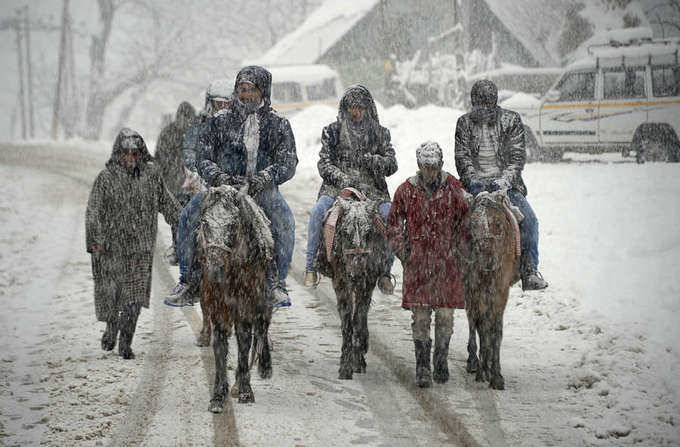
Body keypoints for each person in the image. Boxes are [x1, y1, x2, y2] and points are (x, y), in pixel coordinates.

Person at [168, 66, 297, 309]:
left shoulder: (279, 125)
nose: (246, 95)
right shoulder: (219, 122)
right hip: (221, 189)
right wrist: (218, 176)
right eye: (242, 89)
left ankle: (276, 282)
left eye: (252, 90)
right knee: (187, 217)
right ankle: (188, 281)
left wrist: (265, 177)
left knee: (285, 222)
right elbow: (202, 156)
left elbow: (288, 162)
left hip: (262, 190)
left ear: (263, 92)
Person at [86, 128, 181, 359]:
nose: (130, 158)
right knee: (111, 295)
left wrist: (184, 222)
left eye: (135, 154)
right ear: (118, 153)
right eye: (125, 153)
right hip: (110, 249)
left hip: (141, 249)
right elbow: (93, 211)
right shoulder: (106, 178)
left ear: (141, 154)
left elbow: (168, 205)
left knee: (134, 299)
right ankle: (111, 326)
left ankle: (126, 342)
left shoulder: (152, 176)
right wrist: (96, 240)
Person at [387, 141, 469, 387]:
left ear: (441, 165)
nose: (430, 171)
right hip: (418, 266)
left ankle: (441, 359)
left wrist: (458, 250)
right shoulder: (405, 191)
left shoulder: (454, 189)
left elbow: (465, 222)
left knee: (445, 316)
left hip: (447, 266)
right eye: (426, 167)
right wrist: (404, 252)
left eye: (434, 167)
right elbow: (393, 224)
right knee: (420, 318)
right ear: (419, 166)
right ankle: (422, 365)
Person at [454, 79, 548, 291]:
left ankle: (529, 270)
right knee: (451, 221)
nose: (483, 110)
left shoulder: (512, 120)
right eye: (479, 105)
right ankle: (451, 271)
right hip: (473, 187)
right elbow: (462, 158)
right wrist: (473, 182)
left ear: (494, 103)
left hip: (506, 187)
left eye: (488, 105)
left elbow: (517, 158)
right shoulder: (464, 123)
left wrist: (503, 181)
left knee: (530, 222)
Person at [303, 84, 397, 294]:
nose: (356, 112)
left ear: (368, 109)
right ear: (345, 109)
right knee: (319, 211)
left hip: (373, 191)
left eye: (361, 108)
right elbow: (324, 164)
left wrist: (373, 161)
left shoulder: (381, 134)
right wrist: (343, 179)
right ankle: (311, 265)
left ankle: (385, 272)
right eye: (352, 108)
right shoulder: (332, 131)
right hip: (337, 189)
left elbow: (392, 164)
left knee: (391, 216)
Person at [166, 80, 233, 306]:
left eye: (227, 103)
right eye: (218, 103)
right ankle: (187, 280)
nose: (222, 107)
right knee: (186, 219)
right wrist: (199, 173)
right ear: (209, 102)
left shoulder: (240, 122)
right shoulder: (200, 124)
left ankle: (270, 280)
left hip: (237, 188)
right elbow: (189, 151)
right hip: (208, 187)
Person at [155, 101, 196, 265]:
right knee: (178, 216)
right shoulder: (168, 134)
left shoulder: (196, 134)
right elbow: (161, 160)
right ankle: (179, 248)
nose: (187, 122)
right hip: (176, 183)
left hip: (193, 182)